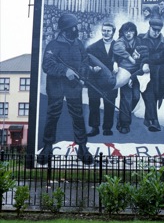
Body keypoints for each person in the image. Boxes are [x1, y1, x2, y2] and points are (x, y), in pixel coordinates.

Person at [37, 13, 93, 165]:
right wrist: (65, 71)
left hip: (74, 86)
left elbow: (85, 60)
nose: (76, 29)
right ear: (66, 29)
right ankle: (47, 146)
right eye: (74, 27)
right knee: (53, 114)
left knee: (78, 116)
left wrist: (82, 74)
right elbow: (47, 65)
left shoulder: (78, 44)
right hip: (56, 87)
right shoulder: (53, 45)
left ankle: (82, 147)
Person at [113, 22, 149, 134]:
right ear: (122, 32)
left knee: (136, 97)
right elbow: (117, 48)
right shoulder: (121, 41)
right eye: (126, 31)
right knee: (126, 98)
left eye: (131, 31)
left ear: (135, 32)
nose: (128, 34)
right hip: (125, 72)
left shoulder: (139, 40)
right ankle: (124, 124)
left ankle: (122, 115)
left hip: (137, 73)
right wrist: (129, 57)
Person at [139, 18, 164, 132]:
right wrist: (143, 64)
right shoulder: (140, 38)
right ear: (149, 27)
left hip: (159, 76)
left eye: (159, 30)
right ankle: (154, 121)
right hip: (143, 73)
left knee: (154, 96)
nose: (156, 32)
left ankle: (148, 119)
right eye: (154, 29)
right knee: (149, 95)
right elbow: (137, 53)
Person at [86, 23, 118, 137]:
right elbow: (84, 62)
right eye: (104, 30)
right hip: (95, 80)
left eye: (109, 31)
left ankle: (107, 128)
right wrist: (92, 68)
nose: (106, 33)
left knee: (109, 103)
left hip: (111, 80)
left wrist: (117, 64)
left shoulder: (119, 46)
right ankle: (94, 128)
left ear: (113, 32)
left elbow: (125, 62)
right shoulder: (92, 47)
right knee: (94, 104)